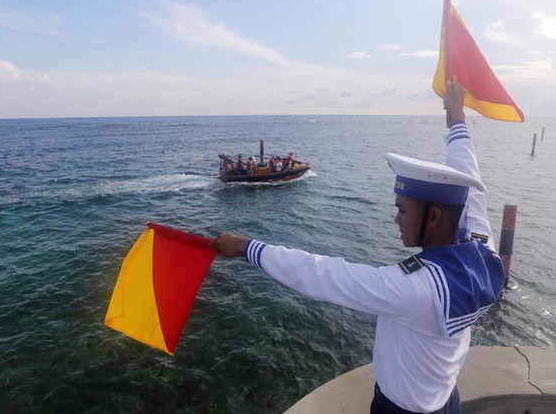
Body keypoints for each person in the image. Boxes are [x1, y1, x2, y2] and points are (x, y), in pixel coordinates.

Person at [212, 77, 505, 414]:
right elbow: (470, 178)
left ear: (435, 217)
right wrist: (456, 115)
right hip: (445, 400)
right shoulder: (482, 251)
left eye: (402, 209)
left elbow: (323, 274)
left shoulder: (415, 290)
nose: (396, 219)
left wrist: (246, 247)